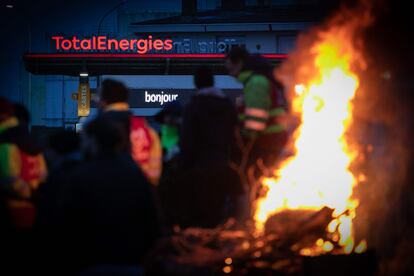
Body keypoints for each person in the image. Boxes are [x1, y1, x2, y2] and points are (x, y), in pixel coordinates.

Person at [47, 117, 160, 274]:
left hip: (92, 262)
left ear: (93, 140)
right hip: (131, 262)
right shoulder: (135, 175)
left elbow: (66, 224)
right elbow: (151, 220)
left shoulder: (80, 176)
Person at [159, 66, 243, 228]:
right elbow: (235, 137)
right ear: (213, 82)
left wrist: (183, 167)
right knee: (218, 214)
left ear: (196, 84)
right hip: (223, 167)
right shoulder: (227, 106)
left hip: (199, 170)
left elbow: (188, 141)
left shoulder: (193, 107)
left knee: (200, 217)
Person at [225, 47, 289, 178]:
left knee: (260, 179)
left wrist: (244, 142)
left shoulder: (256, 83)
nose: (229, 73)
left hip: (266, 140)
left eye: (230, 68)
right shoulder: (257, 80)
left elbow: (255, 121)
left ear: (240, 63)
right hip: (272, 138)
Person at [97, 79, 162, 185]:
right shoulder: (148, 131)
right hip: (139, 192)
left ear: (104, 100)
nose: (96, 100)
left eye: (98, 97)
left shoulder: (95, 127)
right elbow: (154, 172)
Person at [0, 97, 47, 229]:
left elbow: (9, 180)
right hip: (33, 207)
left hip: (10, 209)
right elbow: (43, 174)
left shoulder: (5, 142)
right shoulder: (32, 143)